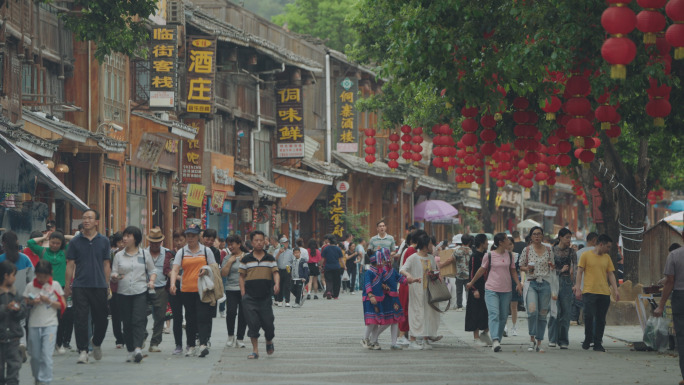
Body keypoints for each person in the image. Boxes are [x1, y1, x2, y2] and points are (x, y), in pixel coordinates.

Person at [64, 209, 111, 364]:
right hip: (80, 285)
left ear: (97, 222)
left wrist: (107, 284)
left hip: (99, 286)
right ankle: (83, 350)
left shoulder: (104, 241)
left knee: (102, 319)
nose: (86, 220)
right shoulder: (75, 242)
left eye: (90, 218)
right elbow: (70, 264)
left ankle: (96, 342)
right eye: (84, 218)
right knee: (81, 319)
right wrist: (67, 286)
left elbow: (106, 264)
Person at [467, 233, 522, 352]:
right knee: (494, 314)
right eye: (507, 239)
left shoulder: (510, 256)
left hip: (506, 290)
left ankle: (498, 339)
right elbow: (481, 270)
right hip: (491, 289)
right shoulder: (489, 255)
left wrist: (518, 284)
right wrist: (472, 283)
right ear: (501, 242)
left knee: (503, 316)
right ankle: (495, 339)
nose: (509, 241)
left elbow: (513, 271)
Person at [110, 226, 157, 363]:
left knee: (138, 320)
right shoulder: (118, 255)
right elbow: (113, 272)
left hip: (140, 291)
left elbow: (153, 270)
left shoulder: (144, 254)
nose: (125, 238)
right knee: (127, 322)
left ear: (135, 238)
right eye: (124, 236)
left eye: (128, 236)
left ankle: (138, 348)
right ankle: (130, 349)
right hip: (123, 292)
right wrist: (115, 276)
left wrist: (152, 281)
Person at [169, 225, 217, 358]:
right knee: (190, 318)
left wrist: (206, 269)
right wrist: (173, 284)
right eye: (188, 236)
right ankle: (191, 345)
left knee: (203, 316)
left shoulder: (206, 251)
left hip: (203, 290)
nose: (190, 239)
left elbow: (214, 268)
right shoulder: (182, 252)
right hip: (186, 289)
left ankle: (203, 344)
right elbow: (175, 269)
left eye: (193, 236)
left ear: (198, 237)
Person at [27, 230, 73, 353]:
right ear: (49, 242)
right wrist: (44, 237)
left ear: (61, 244)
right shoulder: (42, 251)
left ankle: (59, 343)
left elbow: (76, 239)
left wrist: (64, 236)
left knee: (60, 316)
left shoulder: (65, 252)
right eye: (52, 242)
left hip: (60, 288)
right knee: (43, 313)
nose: (54, 245)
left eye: (58, 243)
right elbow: (30, 242)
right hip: (43, 287)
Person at [573, 234, 619, 352]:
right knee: (588, 316)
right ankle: (588, 339)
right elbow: (579, 272)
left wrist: (615, 289)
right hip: (589, 291)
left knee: (601, 319)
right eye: (607, 247)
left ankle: (598, 342)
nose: (608, 249)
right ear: (601, 244)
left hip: (604, 292)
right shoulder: (585, 255)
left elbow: (611, 274)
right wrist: (578, 288)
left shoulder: (607, 258)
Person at [239, 230, 280, 359]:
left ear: (265, 241)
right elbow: (241, 276)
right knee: (253, 324)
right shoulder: (246, 259)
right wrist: (243, 293)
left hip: (265, 297)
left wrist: (276, 284)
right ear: (252, 242)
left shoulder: (270, 258)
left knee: (268, 324)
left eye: (261, 240)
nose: (259, 243)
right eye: (256, 240)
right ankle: (255, 350)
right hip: (250, 297)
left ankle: (269, 340)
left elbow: (275, 272)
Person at [24, 260, 65, 384]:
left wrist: (49, 301)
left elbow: (62, 304)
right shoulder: (30, 286)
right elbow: (25, 302)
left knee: (47, 355)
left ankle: (46, 380)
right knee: (35, 356)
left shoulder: (55, 285)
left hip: (50, 324)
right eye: (39, 276)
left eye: (45, 277)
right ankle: (38, 377)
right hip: (34, 324)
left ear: (50, 274)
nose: (42, 279)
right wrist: (32, 302)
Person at [400, 230, 441, 350]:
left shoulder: (431, 258)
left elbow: (434, 271)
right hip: (416, 290)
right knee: (416, 313)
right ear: (424, 245)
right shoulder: (413, 257)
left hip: (429, 291)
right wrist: (409, 276)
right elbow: (402, 269)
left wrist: (435, 275)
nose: (431, 246)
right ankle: (413, 339)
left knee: (429, 314)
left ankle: (425, 339)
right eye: (429, 244)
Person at [654, 232, 684, 385]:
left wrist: (661, 305)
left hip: (680, 297)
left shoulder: (674, 255)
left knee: (682, 339)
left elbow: (670, 281)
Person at [0, 231, 34, 362]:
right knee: (20, 322)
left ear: (3, 243)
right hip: (20, 296)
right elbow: (32, 280)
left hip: (3, 296)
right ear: (17, 243)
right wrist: (30, 297)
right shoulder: (25, 259)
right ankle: (21, 344)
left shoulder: (1, 259)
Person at [519, 226, 554, 353]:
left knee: (543, 313)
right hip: (531, 282)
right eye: (534, 234)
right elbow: (520, 266)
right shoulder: (527, 250)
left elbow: (553, 266)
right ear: (531, 236)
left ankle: (539, 342)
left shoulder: (549, 250)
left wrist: (552, 266)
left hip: (545, 283)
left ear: (542, 236)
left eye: (539, 234)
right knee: (532, 311)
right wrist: (527, 268)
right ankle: (531, 339)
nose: (537, 236)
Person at [548, 228, 577, 349]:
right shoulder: (552, 250)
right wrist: (560, 270)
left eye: (570, 238)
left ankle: (563, 340)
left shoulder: (571, 252)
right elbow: (549, 268)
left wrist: (575, 284)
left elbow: (575, 269)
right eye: (567, 237)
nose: (569, 240)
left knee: (566, 312)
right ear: (560, 237)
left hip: (566, 283)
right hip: (554, 281)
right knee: (555, 311)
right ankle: (552, 338)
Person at [145, 227, 172, 353]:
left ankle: (154, 343)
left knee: (160, 316)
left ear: (161, 242)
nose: (155, 245)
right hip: (144, 288)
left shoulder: (168, 253)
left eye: (157, 242)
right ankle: (142, 334)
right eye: (152, 242)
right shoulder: (143, 253)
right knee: (140, 314)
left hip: (161, 288)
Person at [0, 260, 25, 385]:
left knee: (14, 369)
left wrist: (18, 309)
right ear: (6, 276)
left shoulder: (16, 294)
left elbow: (23, 312)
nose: (15, 278)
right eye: (13, 275)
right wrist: (5, 308)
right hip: (1, 338)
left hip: (14, 338)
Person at [221, 235, 247, 348]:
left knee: (243, 314)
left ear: (239, 244)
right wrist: (230, 262)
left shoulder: (247, 256)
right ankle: (230, 336)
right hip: (231, 289)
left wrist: (244, 263)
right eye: (229, 244)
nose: (230, 247)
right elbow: (224, 274)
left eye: (232, 244)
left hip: (245, 290)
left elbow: (251, 272)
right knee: (231, 312)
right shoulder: (227, 258)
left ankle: (240, 338)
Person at [465, 234, 491, 347]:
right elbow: (471, 273)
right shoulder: (475, 256)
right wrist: (473, 289)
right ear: (481, 243)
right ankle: (476, 338)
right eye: (486, 242)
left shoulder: (486, 255)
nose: (487, 244)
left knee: (484, 312)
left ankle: (485, 332)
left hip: (485, 287)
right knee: (474, 312)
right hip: (476, 288)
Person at [165, 229, 186, 355]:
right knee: (177, 317)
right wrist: (178, 278)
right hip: (174, 289)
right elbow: (167, 269)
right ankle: (178, 344)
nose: (179, 243)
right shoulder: (170, 254)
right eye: (176, 240)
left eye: (181, 240)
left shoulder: (189, 253)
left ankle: (191, 343)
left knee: (190, 316)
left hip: (189, 288)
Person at [571, 232, 598, 325]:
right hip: (595, 287)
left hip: (580, 286)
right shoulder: (600, 253)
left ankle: (574, 319)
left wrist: (574, 284)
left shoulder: (578, 253)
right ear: (594, 240)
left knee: (577, 304)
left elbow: (573, 271)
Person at [439, 234, 471, 311]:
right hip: (468, 274)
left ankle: (459, 306)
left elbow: (450, 260)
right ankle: (469, 305)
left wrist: (442, 265)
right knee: (468, 291)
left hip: (459, 274)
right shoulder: (471, 251)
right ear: (469, 242)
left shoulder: (458, 251)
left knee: (459, 291)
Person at [397, 231, 417, 346]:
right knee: (405, 309)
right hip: (407, 283)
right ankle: (401, 335)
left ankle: (403, 335)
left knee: (406, 309)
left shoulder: (408, 250)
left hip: (407, 282)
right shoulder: (410, 250)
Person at [108, 232, 125, 349]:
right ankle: (119, 338)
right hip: (114, 287)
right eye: (120, 242)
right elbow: (107, 269)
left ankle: (128, 336)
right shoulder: (112, 255)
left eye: (124, 241)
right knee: (116, 314)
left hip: (129, 287)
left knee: (127, 314)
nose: (122, 244)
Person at [505, 236, 522, 336]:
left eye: (511, 244)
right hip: (504, 281)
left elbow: (520, 270)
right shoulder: (501, 256)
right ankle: (505, 326)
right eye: (507, 244)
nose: (509, 246)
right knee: (504, 305)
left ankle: (514, 326)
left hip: (514, 281)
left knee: (514, 306)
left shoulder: (517, 256)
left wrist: (521, 282)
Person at [321, 235, 344, 300]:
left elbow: (322, 259)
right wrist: (345, 266)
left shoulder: (326, 248)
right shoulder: (338, 249)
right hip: (337, 267)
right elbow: (341, 259)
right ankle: (335, 296)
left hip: (328, 267)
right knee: (337, 281)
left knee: (328, 280)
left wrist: (320, 265)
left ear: (329, 241)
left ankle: (328, 291)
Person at [273, 237, 294, 307]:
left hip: (287, 269)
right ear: (281, 243)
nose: (286, 244)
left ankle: (287, 301)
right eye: (284, 243)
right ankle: (280, 300)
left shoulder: (290, 252)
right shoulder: (276, 251)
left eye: (287, 243)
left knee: (287, 285)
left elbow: (292, 261)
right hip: (279, 269)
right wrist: (279, 253)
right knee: (280, 285)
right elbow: (274, 260)